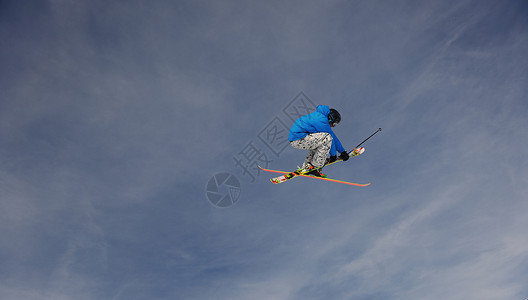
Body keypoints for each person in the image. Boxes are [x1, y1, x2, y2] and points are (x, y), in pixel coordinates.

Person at [288, 105, 349, 177]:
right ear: (331, 119)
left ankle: (307, 166)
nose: (333, 126)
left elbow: (333, 137)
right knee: (326, 138)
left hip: (298, 138)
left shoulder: (320, 117)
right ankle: (315, 166)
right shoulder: (322, 120)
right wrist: (333, 155)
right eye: (334, 124)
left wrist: (342, 151)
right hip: (299, 138)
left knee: (319, 143)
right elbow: (329, 138)